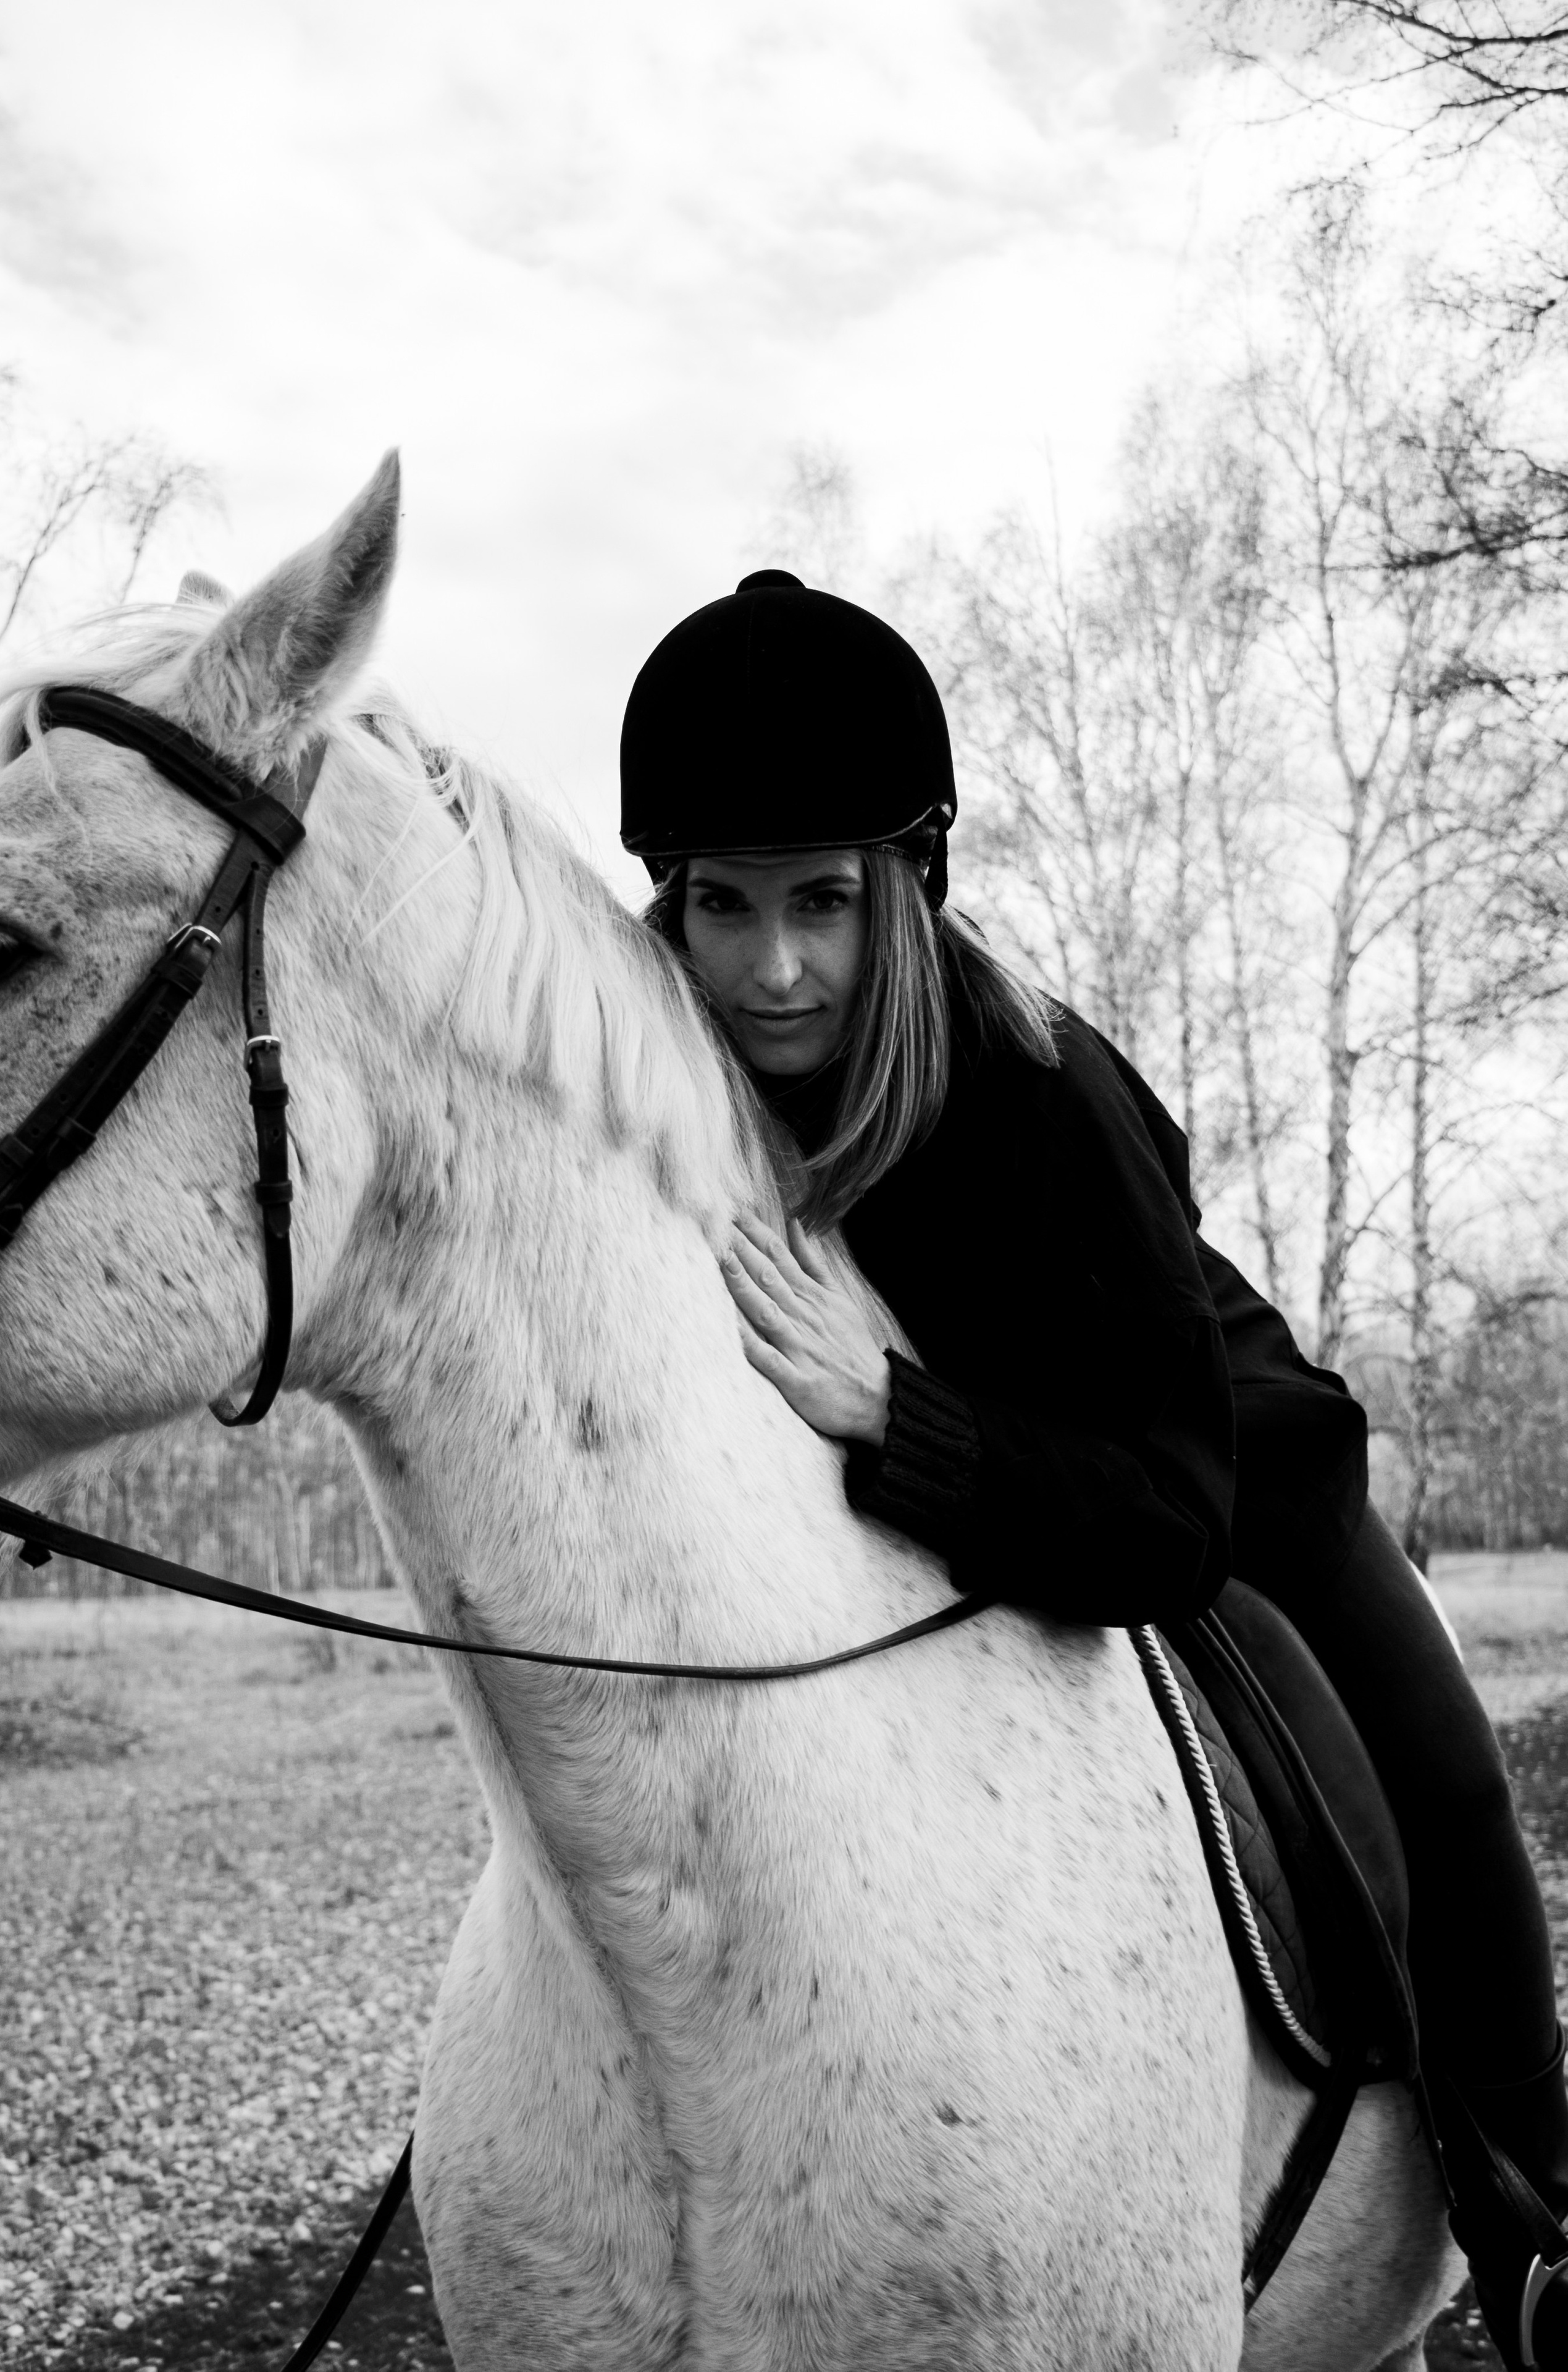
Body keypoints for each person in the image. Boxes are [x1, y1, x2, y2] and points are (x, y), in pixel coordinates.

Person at [619, 567, 1568, 2370]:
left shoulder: (1036, 1086)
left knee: (1441, 1779)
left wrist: (899, 1415)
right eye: (722, 905)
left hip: (1218, 1458)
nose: (774, 970)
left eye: (822, 902)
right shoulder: (673, 1064)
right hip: (947, 1470)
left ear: (909, 883)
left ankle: (1535, 2212)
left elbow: (1169, 1520)